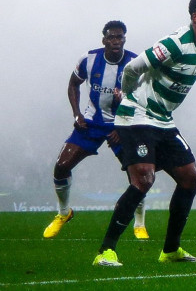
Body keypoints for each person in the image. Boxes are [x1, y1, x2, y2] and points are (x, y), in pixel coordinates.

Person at [92, 0, 196, 268]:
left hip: (162, 120)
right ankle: (105, 252)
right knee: (143, 180)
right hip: (137, 116)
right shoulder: (175, 44)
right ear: (195, 17)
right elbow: (131, 68)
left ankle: (171, 250)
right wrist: (128, 98)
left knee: (191, 179)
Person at [44, 21, 149, 242]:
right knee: (61, 166)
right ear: (104, 40)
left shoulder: (134, 63)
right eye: (111, 37)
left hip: (123, 124)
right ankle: (64, 213)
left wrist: (123, 125)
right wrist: (76, 115)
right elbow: (73, 84)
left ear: (124, 39)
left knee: (139, 175)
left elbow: (143, 99)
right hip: (91, 122)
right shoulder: (88, 59)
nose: (115, 41)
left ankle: (139, 224)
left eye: (119, 37)